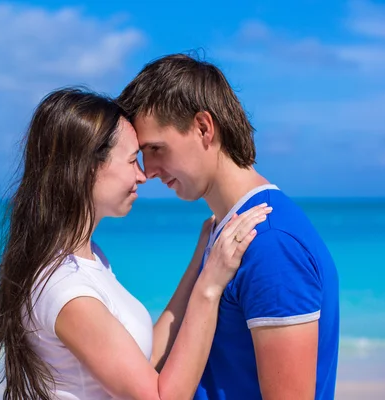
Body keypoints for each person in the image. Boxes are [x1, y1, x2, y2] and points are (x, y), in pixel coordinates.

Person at [0, 87, 271, 399]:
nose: (143, 175)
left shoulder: (85, 258)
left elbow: (148, 359)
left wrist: (202, 259)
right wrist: (209, 288)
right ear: (87, 169)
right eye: (131, 161)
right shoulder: (65, 288)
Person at [116, 53, 340, 400]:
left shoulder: (269, 243)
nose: (149, 170)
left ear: (204, 127)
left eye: (157, 148)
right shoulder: (226, 229)